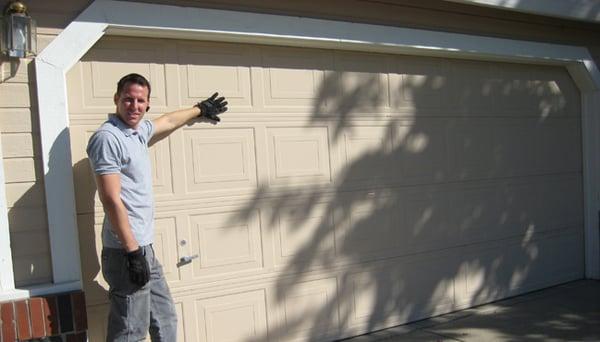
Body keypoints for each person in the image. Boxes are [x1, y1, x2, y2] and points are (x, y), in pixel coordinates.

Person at [86, 73, 227, 341]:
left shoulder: (137, 133)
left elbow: (168, 121)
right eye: (128, 99)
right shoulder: (108, 138)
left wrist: (200, 109)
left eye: (140, 101)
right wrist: (132, 252)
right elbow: (110, 198)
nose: (134, 106)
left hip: (144, 247)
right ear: (117, 99)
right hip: (125, 250)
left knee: (164, 318)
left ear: (147, 105)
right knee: (131, 331)